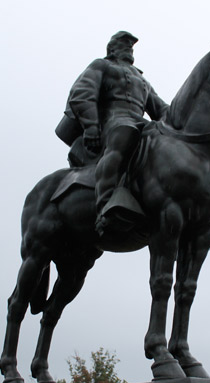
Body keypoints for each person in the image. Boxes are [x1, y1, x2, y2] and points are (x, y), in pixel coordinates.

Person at [55, 31, 168, 233]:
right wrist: (91, 125)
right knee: (125, 132)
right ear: (112, 49)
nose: (129, 49)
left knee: (166, 145)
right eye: (124, 45)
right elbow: (82, 94)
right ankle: (105, 204)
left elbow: (161, 110)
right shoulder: (102, 65)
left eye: (130, 46)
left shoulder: (141, 80)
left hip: (139, 122)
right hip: (110, 121)